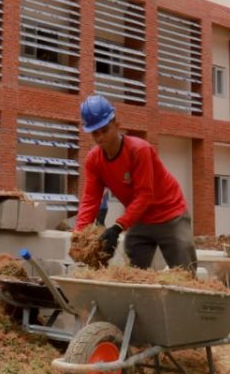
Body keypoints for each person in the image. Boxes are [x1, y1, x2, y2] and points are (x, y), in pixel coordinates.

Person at [73, 95, 196, 270]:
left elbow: (145, 195)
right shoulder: (94, 159)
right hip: (140, 218)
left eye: (105, 130)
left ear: (117, 125)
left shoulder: (139, 150)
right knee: (132, 273)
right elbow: (91, 199)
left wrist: (117, 227)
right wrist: (79, 233)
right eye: (95, 133)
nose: (100, 137)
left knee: (185, 270)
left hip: (170, 213)